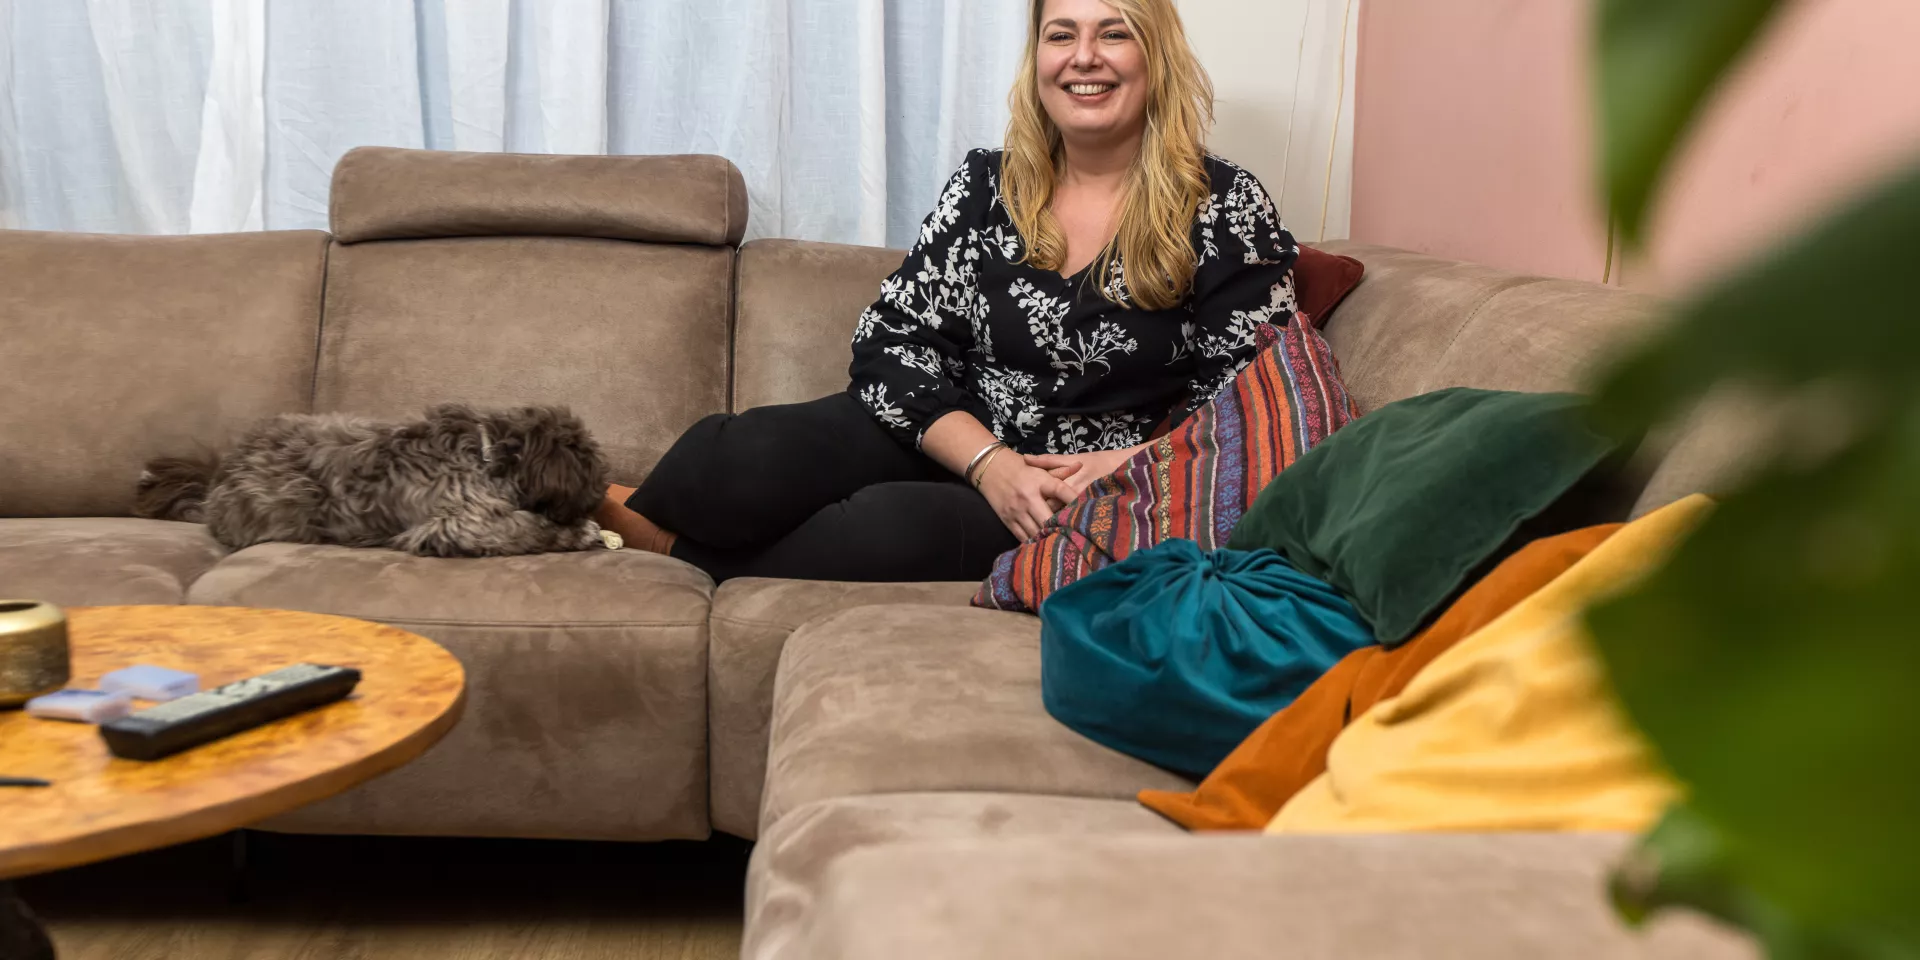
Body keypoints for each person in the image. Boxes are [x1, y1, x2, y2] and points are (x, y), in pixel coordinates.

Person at [596, 0, 1301, 583]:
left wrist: (1118, 466)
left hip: (1076, 485)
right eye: (1061, 35)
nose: (1083, 57)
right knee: (739, 455)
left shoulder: (1225, 205)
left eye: (1113, 33)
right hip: (955, 434)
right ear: (1038, 58)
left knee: (880, 529)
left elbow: (1256, 400)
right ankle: (601, 502)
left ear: (1156, 55)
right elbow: (892, 342)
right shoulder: (987, 184)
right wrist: (987, 461)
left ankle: (661, 545)